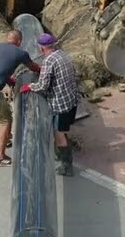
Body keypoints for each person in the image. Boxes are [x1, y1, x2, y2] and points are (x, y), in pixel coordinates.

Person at [0, 30, 42, 167]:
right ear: (19, 41)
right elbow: (34, 68)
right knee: (5, 120)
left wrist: (8, 80)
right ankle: (0, 156)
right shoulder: (21, 53)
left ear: (7, 39)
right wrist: (44, 71)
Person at [19, 32, 81, 177]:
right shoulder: (63, 55)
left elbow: (43, 85)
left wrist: (29, 87)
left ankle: (66, 165)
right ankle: (62, 150)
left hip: (60, 105)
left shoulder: (49, 61)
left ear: (41, 48)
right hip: (71, 100)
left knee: (58, 133)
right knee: (64, 130)